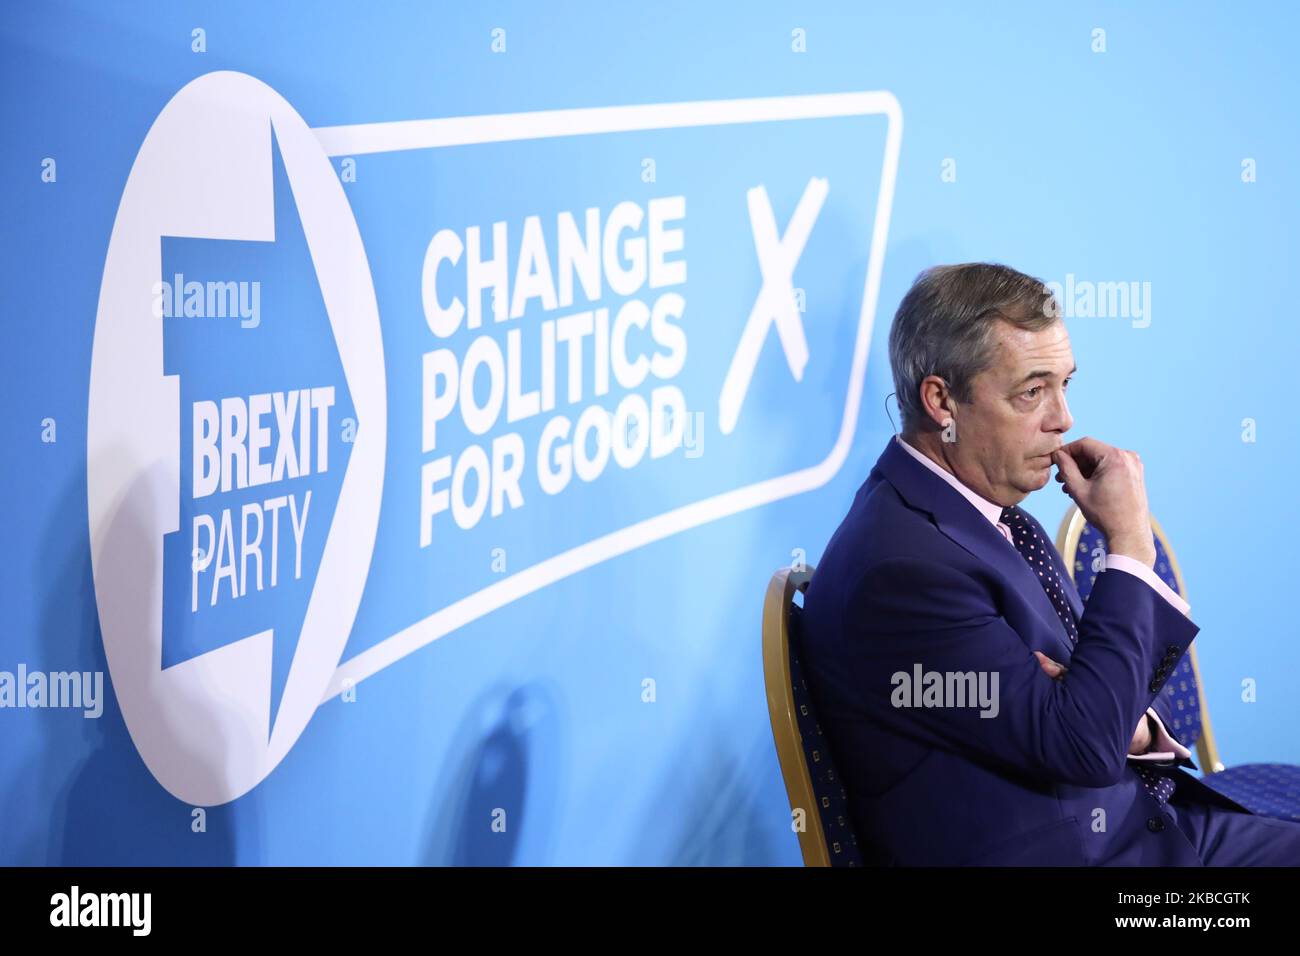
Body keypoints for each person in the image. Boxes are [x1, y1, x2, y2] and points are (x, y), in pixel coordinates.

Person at [800, 262, 1300, 865]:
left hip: (1150, 826)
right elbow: (1087, 744)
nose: (1063, 418)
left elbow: (1121, 694)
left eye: (1065, 385)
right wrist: (1129, 544)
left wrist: (1131, 724)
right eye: (1032, 392)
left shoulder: (998, 517)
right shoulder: (901, 573)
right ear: (942, 401)